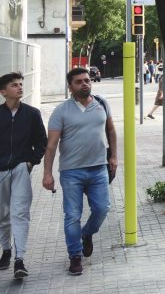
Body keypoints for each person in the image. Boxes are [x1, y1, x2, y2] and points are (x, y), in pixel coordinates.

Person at [43, 67, 117, 276]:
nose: (85, 83)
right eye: (79, 81)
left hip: (98, 168)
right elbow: (51, 146)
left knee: (102, 208)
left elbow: (110, 130)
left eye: (87, 80)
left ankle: (86, 234)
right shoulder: (61, 111)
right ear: (70, 87)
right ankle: (75, 256)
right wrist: (47, 174)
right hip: (71, 171)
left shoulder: (101, 103)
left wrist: (113, 156)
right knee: (72, 215)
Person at [0, 72, 47, 279]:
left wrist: (30, 162)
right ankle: (6, 250)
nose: (20, 87)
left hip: (20, 169)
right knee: (2, 215)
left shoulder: (32, 114)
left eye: (21, 84)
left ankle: (19, 259)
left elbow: (41, 141)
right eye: (14, 85)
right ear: (3, 91)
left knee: (20, 212)